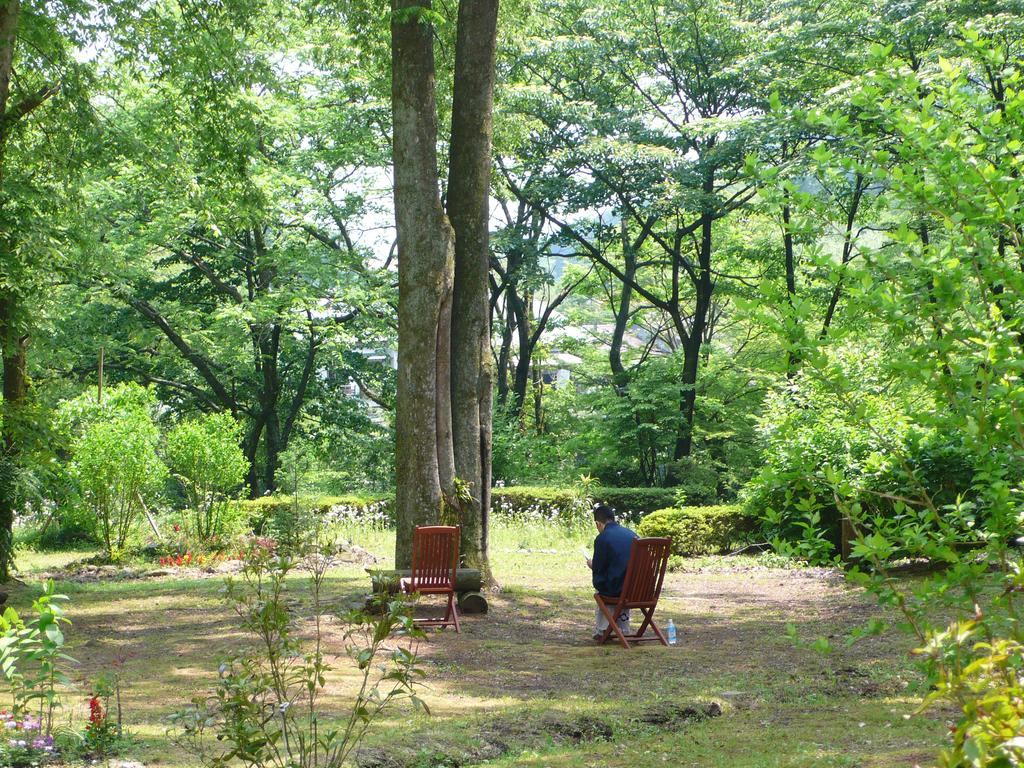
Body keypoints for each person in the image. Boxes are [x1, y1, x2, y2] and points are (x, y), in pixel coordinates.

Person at [586, 502, 637, 642]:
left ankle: (603, 629)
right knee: (616, 580)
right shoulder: (632, 534)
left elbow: (599, 568)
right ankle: (622, 627)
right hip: (639, 590)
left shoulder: (603, 538)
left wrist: (591, 564)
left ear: (598, 523)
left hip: (618, 590)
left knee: (602, 586)